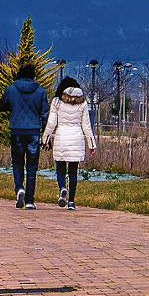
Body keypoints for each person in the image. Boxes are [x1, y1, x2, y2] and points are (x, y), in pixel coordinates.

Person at [0, 62, 49, 209]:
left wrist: (12, 106)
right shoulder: (40, 91)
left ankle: (19, 188)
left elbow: (1, 106)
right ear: (33, 76)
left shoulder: (11, 89)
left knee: (17, 163)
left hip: (16, 130)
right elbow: (45, 114)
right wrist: (46, 136)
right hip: (33, 131)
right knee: (32, 167)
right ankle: (30, 201)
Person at [42, 76, 97, 209]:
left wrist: (45, 139)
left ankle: (62, 188)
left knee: (60, 168)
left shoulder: (57, 101)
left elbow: (51, 123)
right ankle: (71, 202)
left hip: (61, 137)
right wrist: (92, 144)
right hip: (76, 138)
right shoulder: (83, 103)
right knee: (73, 171)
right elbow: (86, 125)